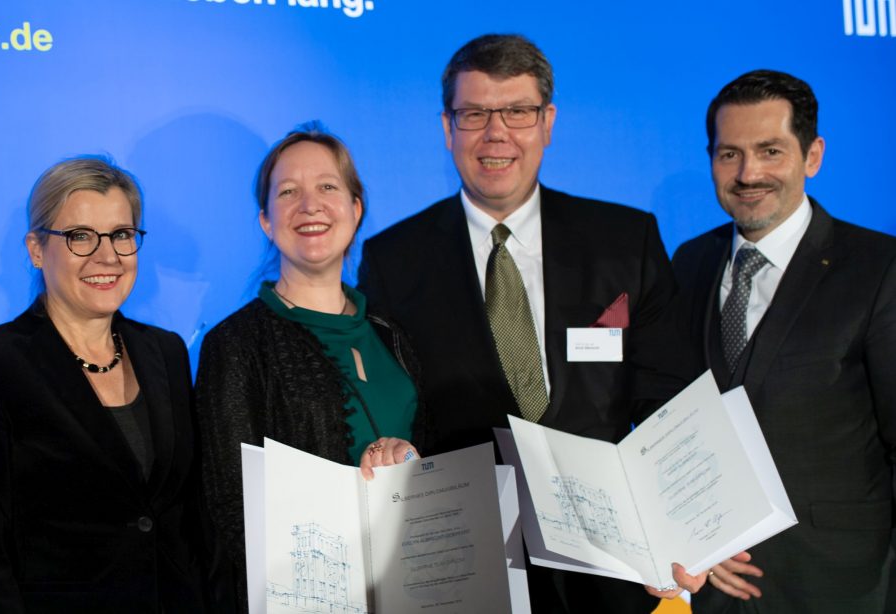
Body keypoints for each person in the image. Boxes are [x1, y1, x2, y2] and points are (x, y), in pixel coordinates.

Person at [358, 34, 674, 613]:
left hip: (613, 570)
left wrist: (685, 528)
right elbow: (392, 412)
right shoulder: (393, 260)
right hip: (467, 567)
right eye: (474, 113)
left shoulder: (627, 242)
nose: (495, 133)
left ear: (548, 122)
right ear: (447, 128)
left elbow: (667, 404)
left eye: (518, 112)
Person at [0, 157, 232, 613]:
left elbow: (193, 518)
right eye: (80, 236)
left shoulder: (167, 352)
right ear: (37, 249)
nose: (107, 256)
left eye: (121, 234)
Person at [663, 69, 896, 612]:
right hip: (714, 585)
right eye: (729, 154)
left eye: (770, 151)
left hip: (842, 585)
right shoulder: (690, 262)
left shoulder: (878, 268)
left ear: (812, 156)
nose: (748, 173)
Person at [195, 124, 425, 612]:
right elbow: (231, 508)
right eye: (288, 192)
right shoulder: (234, 344)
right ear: (265, 220)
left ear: (355, 208)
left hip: (412, 587)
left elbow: (430, 462)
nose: (310, 205)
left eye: (327, 186)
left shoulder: (393, 336)